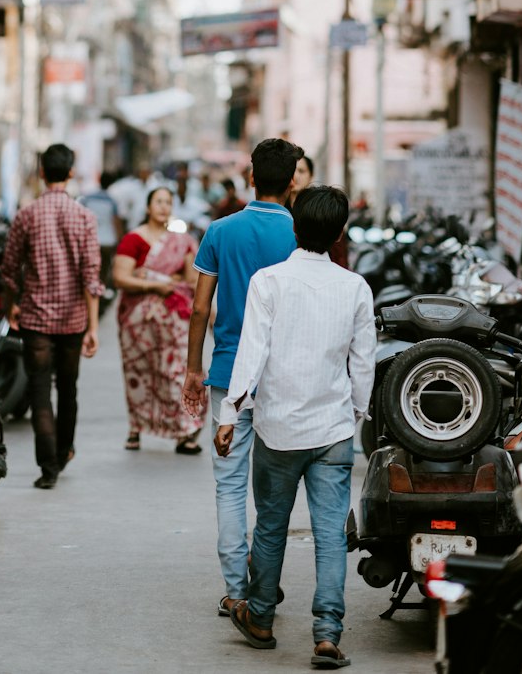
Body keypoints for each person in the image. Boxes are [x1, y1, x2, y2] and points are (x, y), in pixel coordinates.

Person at [216, 185, 376, 670]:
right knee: (330, 536)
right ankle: (327, 635)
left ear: (295, 227)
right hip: (332, 431)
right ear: (339, 232)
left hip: (278, 428)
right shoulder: (355, 287)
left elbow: (251, 356)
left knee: (270, 527)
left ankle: (260, 618)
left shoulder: (268, 282)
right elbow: (363, 365)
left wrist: (229, 414)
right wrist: (353, 417)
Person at [182, 137, 301, 616]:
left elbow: (198, 308)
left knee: (229, 484)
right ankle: (264, 579)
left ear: (251, 176)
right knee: (273, 488)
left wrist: (194, 368)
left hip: (228, 372)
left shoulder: (220, 231)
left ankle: (236, 589)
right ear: (292, 181)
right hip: (284, 375)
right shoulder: (301, 235)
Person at [0, 143, 103, 490]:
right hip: (73, 320)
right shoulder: (85, 217)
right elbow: (92, 275)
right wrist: (92, 326)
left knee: (40, 391)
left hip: (36, 319)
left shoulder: (26, 214)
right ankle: (63, 451)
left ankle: (48, 468)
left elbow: (10, 269)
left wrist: (10, 305)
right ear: (71, 173)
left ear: (42, 173)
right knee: (68, 388)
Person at [113, 186, 207, 452]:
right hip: (137, 323)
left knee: (176, 372)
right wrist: (155, 285)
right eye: (158, 202)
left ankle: (184, 430)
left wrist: (164, 279)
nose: (164, 207)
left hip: (173, 321)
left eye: (168, 202)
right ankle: (137, 427)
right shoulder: (134, 239)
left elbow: (192, 279)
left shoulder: (181, 241)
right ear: (147, 207)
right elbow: (121, 278)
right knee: (139, 374)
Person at [289, 155, 349, 269]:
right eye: (292, 171)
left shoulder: (326, 209)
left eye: (301, 171)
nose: (295, 176)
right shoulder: (282, 213)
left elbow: (340, 258)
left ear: (311, 175)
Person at [79, 172, 123, 294]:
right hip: (107, 241)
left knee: (88, 270)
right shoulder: (112, 201)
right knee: (102, 270)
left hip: (90, 240)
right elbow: (116, 222)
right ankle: (99, 294)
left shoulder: (88, 198)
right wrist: (120, 239)